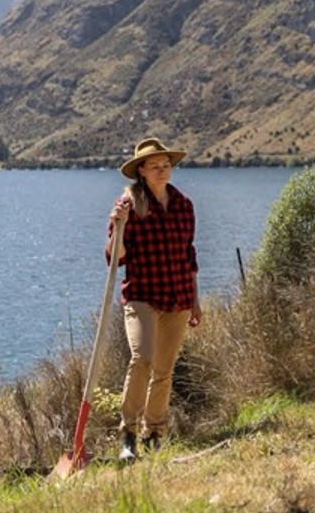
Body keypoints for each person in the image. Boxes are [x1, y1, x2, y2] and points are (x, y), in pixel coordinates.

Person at [107, 137, 202, 460]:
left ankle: (155, 433)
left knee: (164, 369)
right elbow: (114, 257)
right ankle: (128, 434)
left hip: (178, 297)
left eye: (167, 165)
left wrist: (196, 301)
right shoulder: (129, 205)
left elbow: (188, 255)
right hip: (142, 297)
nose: (163, 170)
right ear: (142, 171)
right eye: (156, 166)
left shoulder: (184, 205)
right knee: (143, 358)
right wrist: (117, 226)